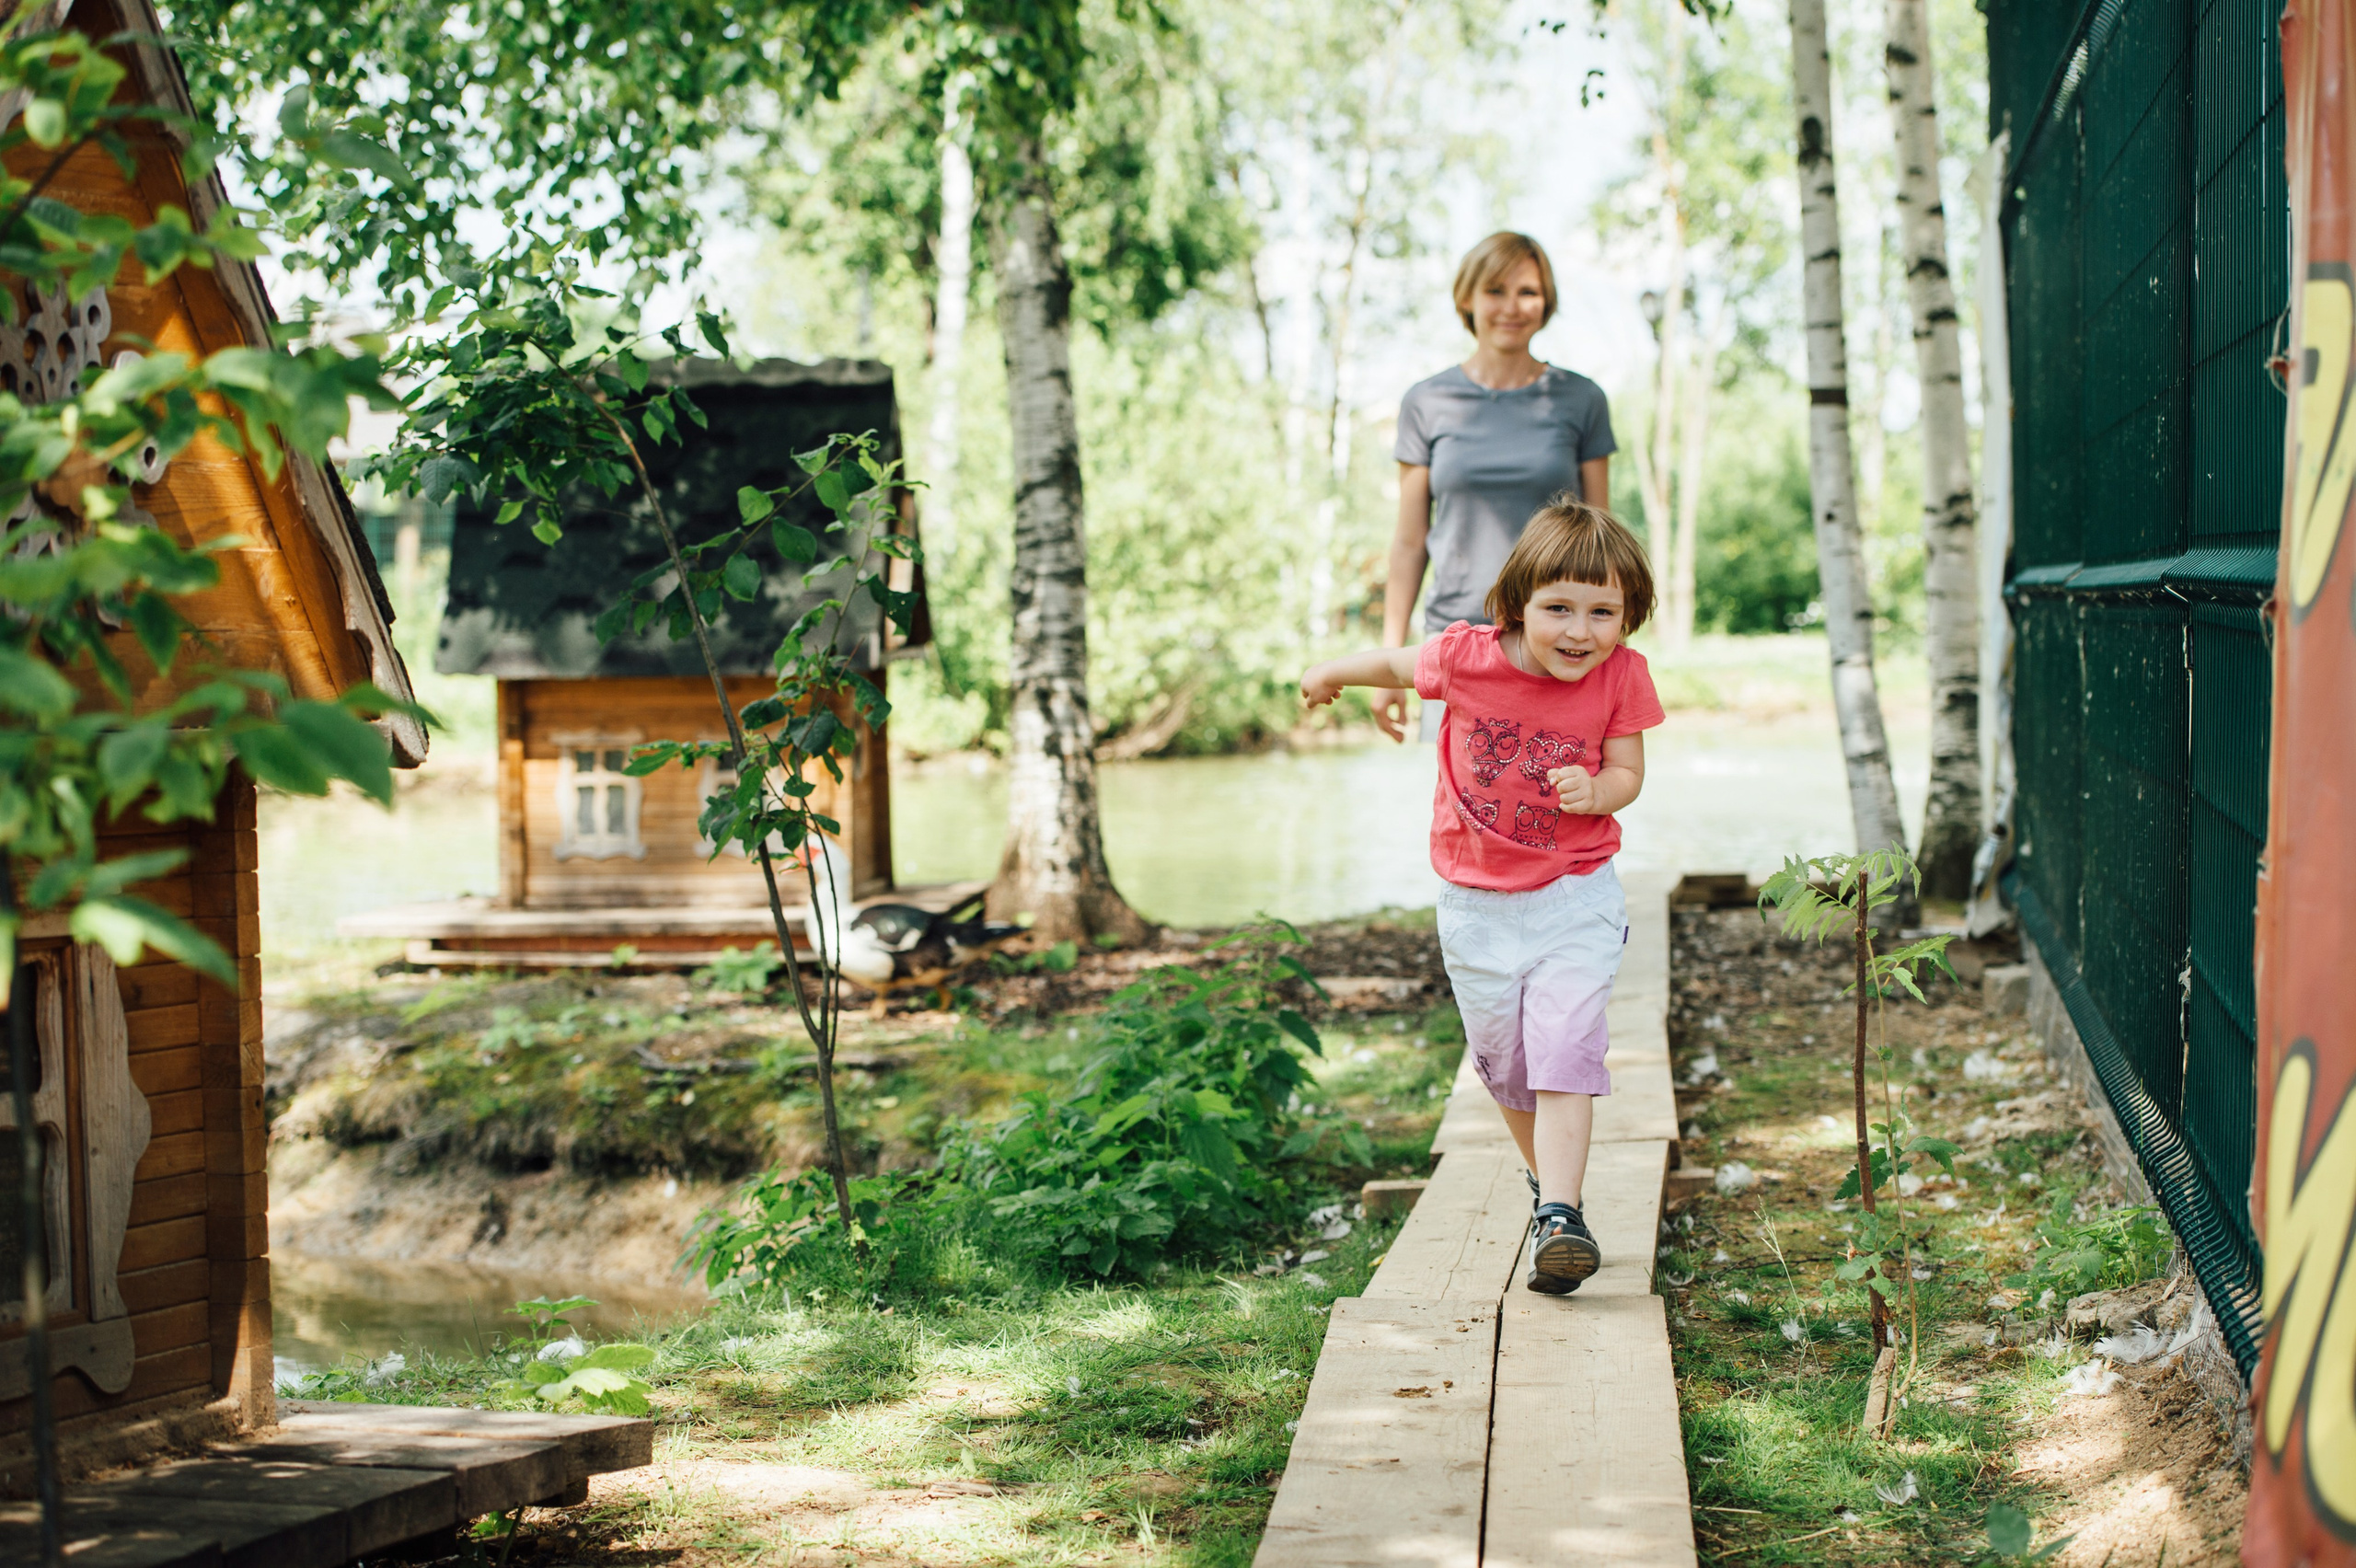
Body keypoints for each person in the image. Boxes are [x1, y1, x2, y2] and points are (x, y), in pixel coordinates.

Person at [1301, 500, 1662, 1294]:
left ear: (1629, 617)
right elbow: (1397, 666)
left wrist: (1598, 789)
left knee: (1567, 1046)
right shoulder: (1467, 658)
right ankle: (1550, 1194)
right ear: (1518, 604)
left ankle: (1562, 1213)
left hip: (1576, 896)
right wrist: (1330, 672)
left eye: (1603, 612)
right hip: (1476, 906)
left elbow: (1630, 774)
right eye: (1558, 608)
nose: (1580, 631)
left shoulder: (1622, 675)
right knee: (1507, 1065)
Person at [1374, 232, 1617, 742]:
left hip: (1558, 644)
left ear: (1546, 302)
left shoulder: (1580, 399)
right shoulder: (1427, 402)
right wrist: (1389, 663)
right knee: (1460, 817)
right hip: (1456, 641)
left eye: (1527, 292)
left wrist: (1603, 642)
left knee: (1559, 815)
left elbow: (1603, 540)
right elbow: (1409, 541)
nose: (1512, 307)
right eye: (1495, 290)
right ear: (1467, 298)